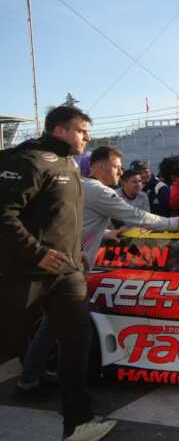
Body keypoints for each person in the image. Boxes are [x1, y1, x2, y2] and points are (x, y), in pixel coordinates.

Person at [0, 106, 118, 439]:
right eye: (81, 131)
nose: (87, 138)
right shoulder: (28, 161)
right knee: (8, 342)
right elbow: (4, 214)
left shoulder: (71, 165)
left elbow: (62, 218)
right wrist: (36, 253)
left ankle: (78, 422)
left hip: (67, 272)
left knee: (77, 341)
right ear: (59, 130)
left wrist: (76, 253)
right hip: (26, 272)